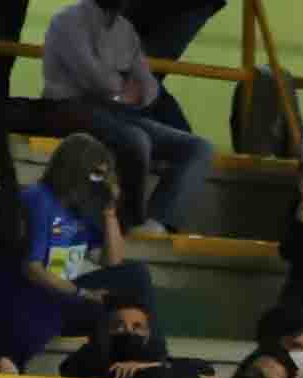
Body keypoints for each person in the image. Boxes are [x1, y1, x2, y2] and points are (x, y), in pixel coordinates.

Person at [36, 0, 207, 231]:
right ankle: (130, 223)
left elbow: (148, 87)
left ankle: (156, 224)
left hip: (116, 112)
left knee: (199, 148)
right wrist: (126, 88)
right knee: (137, 140)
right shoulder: (68, 22)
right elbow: (93, 77)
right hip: (72, 109)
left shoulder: (124, 29)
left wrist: (132, 90)